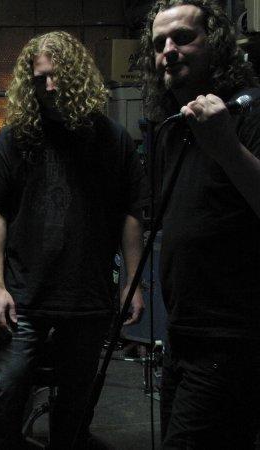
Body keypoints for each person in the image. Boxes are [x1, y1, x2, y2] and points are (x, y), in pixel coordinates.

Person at [0, 31, 148, 449]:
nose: (49, 86)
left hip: (88, 299)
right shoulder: (16, 138)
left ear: (77, 77)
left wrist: (133, 282)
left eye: (57, 76)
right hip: (23, 299)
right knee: (5, 398)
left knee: (76, 407)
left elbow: (131, 214)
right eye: (40, 79)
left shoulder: (112, 139)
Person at [140, 1, 260, 448]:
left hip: (229, 339)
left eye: (183, 38)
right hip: (182, 335)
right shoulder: (175, 126)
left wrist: (227, 146)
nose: (168, 50)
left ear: (217, 45)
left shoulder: (249, 111)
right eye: (159, 44)